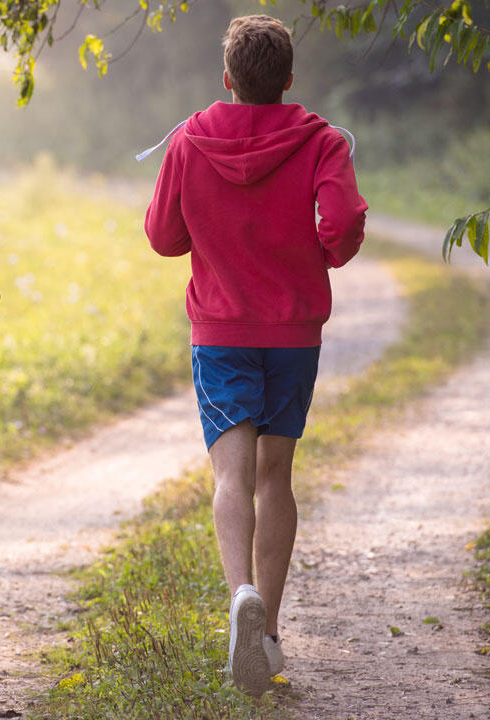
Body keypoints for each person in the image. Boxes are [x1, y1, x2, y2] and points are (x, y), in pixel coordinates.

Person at [143, 14, 368, 696]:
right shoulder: (323, 140)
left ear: (228, 79)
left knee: (231, 477)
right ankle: (267, 632)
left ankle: (239, 591)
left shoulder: (189, 140)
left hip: (220, 333)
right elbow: (346, 220)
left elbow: (161, 235)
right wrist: (328, 252)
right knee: (277, 477)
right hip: (293, 333)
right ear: (288, 80)